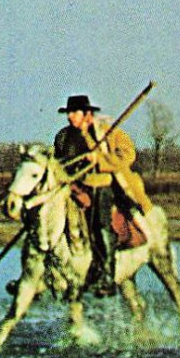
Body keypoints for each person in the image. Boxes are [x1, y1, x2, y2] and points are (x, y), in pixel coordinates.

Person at [53, 93, 139, 297]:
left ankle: (107, 276)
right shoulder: (63, 137)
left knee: (101, 225)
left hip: (102, 186)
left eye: (74, 113)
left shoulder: (107, 133)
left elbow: (127, 155)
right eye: (69, 113)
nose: (70, 117)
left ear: (87, 114)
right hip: (74, 187)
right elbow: (58, 163)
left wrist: (100, 159)